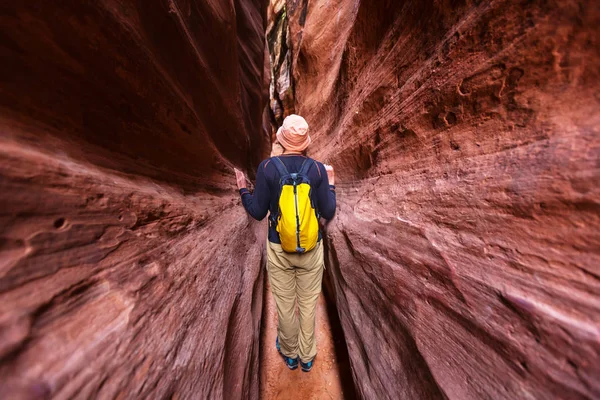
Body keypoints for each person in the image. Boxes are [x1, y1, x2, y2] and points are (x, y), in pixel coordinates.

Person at [234, 114, 336, 372]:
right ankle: (307, 355)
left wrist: (243, 191)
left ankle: (290, 354)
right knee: (308, 303)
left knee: (285, 303)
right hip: (311, 249)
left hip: (279, 248)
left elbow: (257, 212)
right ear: (305, 142)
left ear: (281, 140)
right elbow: (328, 210)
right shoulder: (317, 169)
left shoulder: (267, 168)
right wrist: (331, 185)